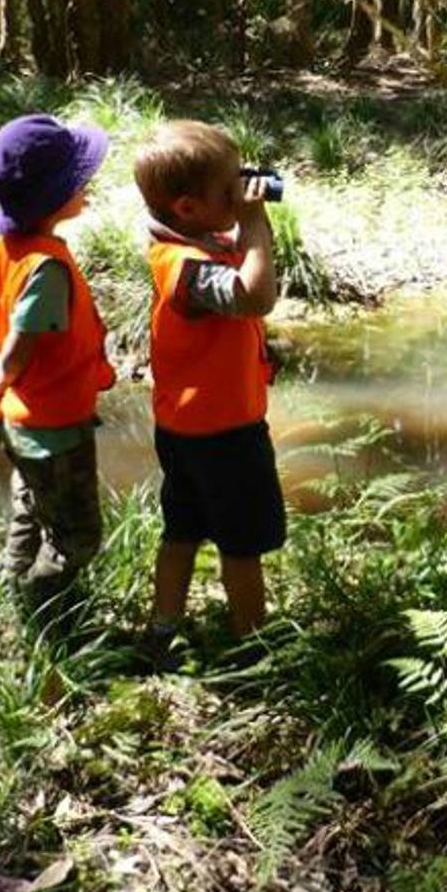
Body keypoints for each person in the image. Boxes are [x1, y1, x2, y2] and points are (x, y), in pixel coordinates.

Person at [133, 120, 283, 667]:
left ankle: (162, 626)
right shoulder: (187, 269)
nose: (240, 193)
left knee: (183, 530)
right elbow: (254, 295)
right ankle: (254, 646)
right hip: (223, 433)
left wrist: (237, 214)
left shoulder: (183, 241)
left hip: (185, 426)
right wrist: (256, 220)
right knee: (241, 546)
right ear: (189, 207)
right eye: (229, 188)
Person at [0, 113, 115, 619]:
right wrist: (2, 378)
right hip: (54, 429)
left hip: (17, 420)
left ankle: (9, 587)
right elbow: (16, 346)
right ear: (54, 199)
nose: (88, 184)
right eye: (80, 180)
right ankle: (39, 610)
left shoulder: (7, 251)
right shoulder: (47, 270)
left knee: (30, 505)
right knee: (79, 538)